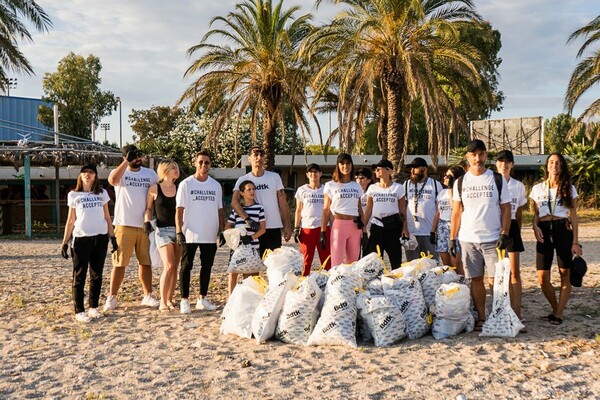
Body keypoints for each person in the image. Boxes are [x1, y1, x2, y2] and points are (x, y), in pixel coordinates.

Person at [450, 139, 511, 331]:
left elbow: (506, 208)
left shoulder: (497, 179)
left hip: (493, 238)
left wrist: (504, 233)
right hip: (468, 239)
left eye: (481, 154)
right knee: (475, 279)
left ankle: (498, 315)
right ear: (467, 157)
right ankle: (482, 317)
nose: (478, 158)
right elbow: (456, 212)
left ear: (486, 155)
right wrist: (452, 238)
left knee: (497, 281)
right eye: (473, 154)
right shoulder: (460, 182)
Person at [104, 145, 160, 312]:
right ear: (124, 157)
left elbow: (157, 192)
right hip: (124, 224)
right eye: (133, 156)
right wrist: (126, 162)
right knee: (120, 263)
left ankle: (147, 295)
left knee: (146, 262)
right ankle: (112, 297)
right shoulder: (121, 173)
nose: (137, 158)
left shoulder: (150, 174)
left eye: (138, 155)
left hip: (144, 225)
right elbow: (112, 181)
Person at [530, 153, 582, 325]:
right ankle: (555, 308)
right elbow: (536, 214)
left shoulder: (569, 188)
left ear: (562, 166)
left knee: (564, 273)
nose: (554, 165)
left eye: (558, 163)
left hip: (562, 228)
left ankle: (559, 313)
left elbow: (573, 216)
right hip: (544, 230)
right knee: (542, 277)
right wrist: (535, 226)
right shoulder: (537, 188)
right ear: (546, 166)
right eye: (551, 162)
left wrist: (575, 241)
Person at [61, 164, 117, 322]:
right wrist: (65, 242)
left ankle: (93, 307)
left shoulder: (102, 193)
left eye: (91, 172)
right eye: (85, 172)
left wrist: (113, 238)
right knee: (79, 275)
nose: (88, 175)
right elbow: (71, 220)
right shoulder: (74, 195)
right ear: (80, 176)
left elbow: (107, 217)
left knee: (97, 274)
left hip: (100, 237)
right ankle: (79, 310)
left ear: (95, 176)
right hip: (81, 238)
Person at [176, 151, 225, 314]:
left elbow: (220, 210)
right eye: (201, 162)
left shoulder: (215, 185)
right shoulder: (186, 184)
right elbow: (179, 210)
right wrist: (179, 231)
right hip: (190, 233)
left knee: (207, 266)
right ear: (195, 163)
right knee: (186, 266)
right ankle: (184, 300)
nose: (204, 165)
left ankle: (202, 299)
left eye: (207, 163)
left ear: (210, 165)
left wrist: (222, 231)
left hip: (210, 234)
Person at [231, 146, 291, 257]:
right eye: (255, 155)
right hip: (253, 229)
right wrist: (247, 219)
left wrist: (287, 225)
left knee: (273, 264)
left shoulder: (274, 177)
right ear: (249, 158)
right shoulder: (242, 180)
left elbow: (283, 202)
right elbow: (234, 202)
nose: (259, 157)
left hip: (273, 227)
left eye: (261, 155)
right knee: (253, 265)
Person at [144, 160, 181, 312]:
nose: (176, 170)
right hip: (162, 230)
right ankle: (163, 301)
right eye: (173, 168)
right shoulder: (154, 188)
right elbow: (148, 208)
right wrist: (146, 221)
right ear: (164, 170)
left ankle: (170, 299)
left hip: (179, 230)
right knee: (169, 265)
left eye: (176, 167)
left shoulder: (179, 188)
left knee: (175, 267)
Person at [495, 150, 527, 322]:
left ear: (512, 165)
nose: (504, 164)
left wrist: (518, 232)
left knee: (514, 271)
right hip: (495, 226)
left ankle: (516, 312)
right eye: (500, 161)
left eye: (507, 162)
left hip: (512, 227)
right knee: (498, 272)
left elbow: (519, 212)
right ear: (496, 164)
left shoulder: (518, 186)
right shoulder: (491, 181)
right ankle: (500, 308)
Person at [363, 159, 409, 269]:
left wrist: (405, 228)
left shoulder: (398, 188)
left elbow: (402, 210)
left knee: (395, 258)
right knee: (375, 260)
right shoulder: (372, 188)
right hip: (376, 226)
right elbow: (368, 210)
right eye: (375, 170)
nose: (376, 171)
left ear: (388, 171)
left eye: (379, 169)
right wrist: (363, 227)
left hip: (393, 226)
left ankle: (396, 282)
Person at [322, 153, 365, 267]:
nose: (345, 166)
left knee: (353, 263)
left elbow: (360, 209)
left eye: (348, 163)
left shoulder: (356, 186)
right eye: (342, 164)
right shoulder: (330, 185)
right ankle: (336, 284)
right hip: (339, 226)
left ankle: (350, 284)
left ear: (351, 165)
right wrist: (323, 231)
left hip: (355, 227)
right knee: (336, 263)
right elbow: (326, 209)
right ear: (338, 166)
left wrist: (364, 231)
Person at [225, 180, 266, 295]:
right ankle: (231, 298)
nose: (252, 191)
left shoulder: (259, 208)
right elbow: (228, 226)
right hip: (237, 246)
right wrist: (233, 235)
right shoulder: (237, 210)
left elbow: (263, 229)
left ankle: (250, 298)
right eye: (249, 189)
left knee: (251, 273)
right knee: (233, 272)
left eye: (253, 189)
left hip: (253, 245)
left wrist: (251, 238)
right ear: (242, 193)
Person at [294, 163, 331, 274]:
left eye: (316, 172)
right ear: (307, 175)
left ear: (320, 174)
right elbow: (298, 210)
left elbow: (330, 210)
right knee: (306, 260)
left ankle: (328, 283)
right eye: (311, 172)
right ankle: (305, 282)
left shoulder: (326, 189)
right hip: (307, 228)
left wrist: (333, 228)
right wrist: (296, 227)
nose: (313, 174)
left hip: (323, 228)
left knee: (327, 260)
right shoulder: (302, 190)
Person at [404, 157, 443, 261]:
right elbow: (402, 208)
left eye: (415, 168)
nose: (412, 171)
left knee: (432, 265)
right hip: (411, 233)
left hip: (429, 233)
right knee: (412, 267)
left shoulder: (435, 185)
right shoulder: (406, 184)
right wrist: (404, 230)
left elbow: (440, 209)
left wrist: (435, 231)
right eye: (411, 168)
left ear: (424, 169)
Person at [431, 165, 465, 272]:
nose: (445, 178)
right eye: (445, 175)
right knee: (447, 265)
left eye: (449, 176)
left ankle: (461, 284)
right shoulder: (442, 193)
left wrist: (451, 189)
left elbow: (454, 208)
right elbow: (438, 212)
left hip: (455, 227)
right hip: (442, 227)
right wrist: (433, 230)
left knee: (456, 263)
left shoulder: (460, 192)